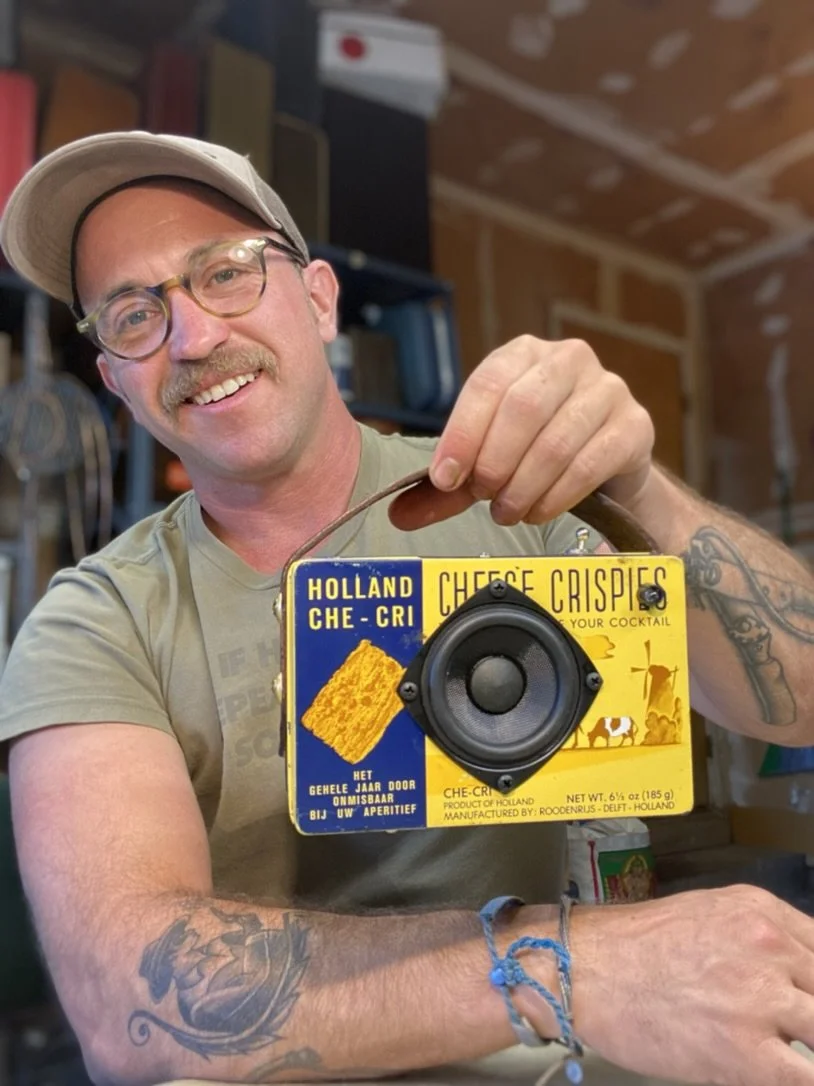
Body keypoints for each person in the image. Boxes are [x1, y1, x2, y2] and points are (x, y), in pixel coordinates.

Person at [1, 131, 814, 1086]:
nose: (194, 337)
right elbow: (125, 998)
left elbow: (798, 701)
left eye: (224, 273)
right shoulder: (98, 620)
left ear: (319, 300)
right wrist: (568, 967)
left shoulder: (515, 500)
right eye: (133, 315)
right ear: (113, 378)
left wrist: (642, 494)